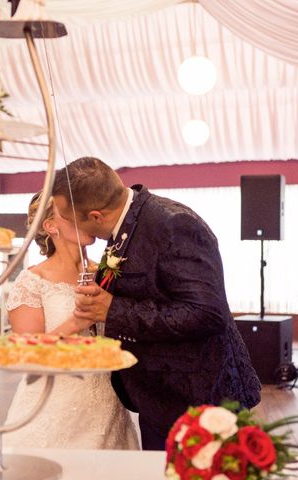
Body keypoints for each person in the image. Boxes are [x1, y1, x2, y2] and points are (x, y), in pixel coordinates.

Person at [51, 157, 262, 450]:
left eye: (69, 217)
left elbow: (207, 313)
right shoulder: (126, 224)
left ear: (96, 216)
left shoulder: (174, 224)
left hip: (200, 400)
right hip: (159, 397)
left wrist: (114, 310)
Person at [2, 191, 139, 450]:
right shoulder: (32, 281)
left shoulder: (107, 273)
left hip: (108, 403)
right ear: (50, 226)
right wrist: (74, 323)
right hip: (53, 405)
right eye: (71, 215)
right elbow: (25, 357)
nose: (84, 217)